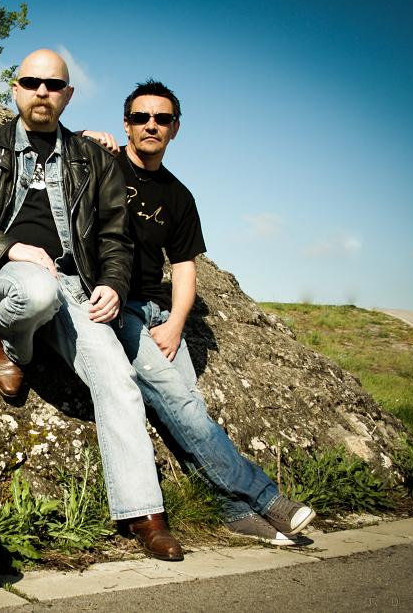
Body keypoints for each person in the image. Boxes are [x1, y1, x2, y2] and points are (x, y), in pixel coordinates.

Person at [0, 50, 184, 561]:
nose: (42, 91)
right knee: (36, 289)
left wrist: (112, 283)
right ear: (16, 88)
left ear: (68, 95)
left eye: (54, 84)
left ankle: (144, 513)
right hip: (0, 275)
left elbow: (116, 235)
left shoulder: (92, 158)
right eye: (32, 82)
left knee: (117, 377)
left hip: (73, 285)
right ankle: (13, 346)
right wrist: (10, 248)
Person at [82, 80, 316, 544]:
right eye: (141, 117)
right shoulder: (104, 163)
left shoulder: (179, 196)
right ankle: (266, 497)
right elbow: (56, 152)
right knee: (182, 405)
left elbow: (185, 268)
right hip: (118, 306)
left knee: (186, 410)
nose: (151, 125)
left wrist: (175, 323)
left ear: (175, 128)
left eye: (162, 119)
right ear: (126, 124)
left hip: (157, 310)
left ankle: (230, 509)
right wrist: (86, 137)